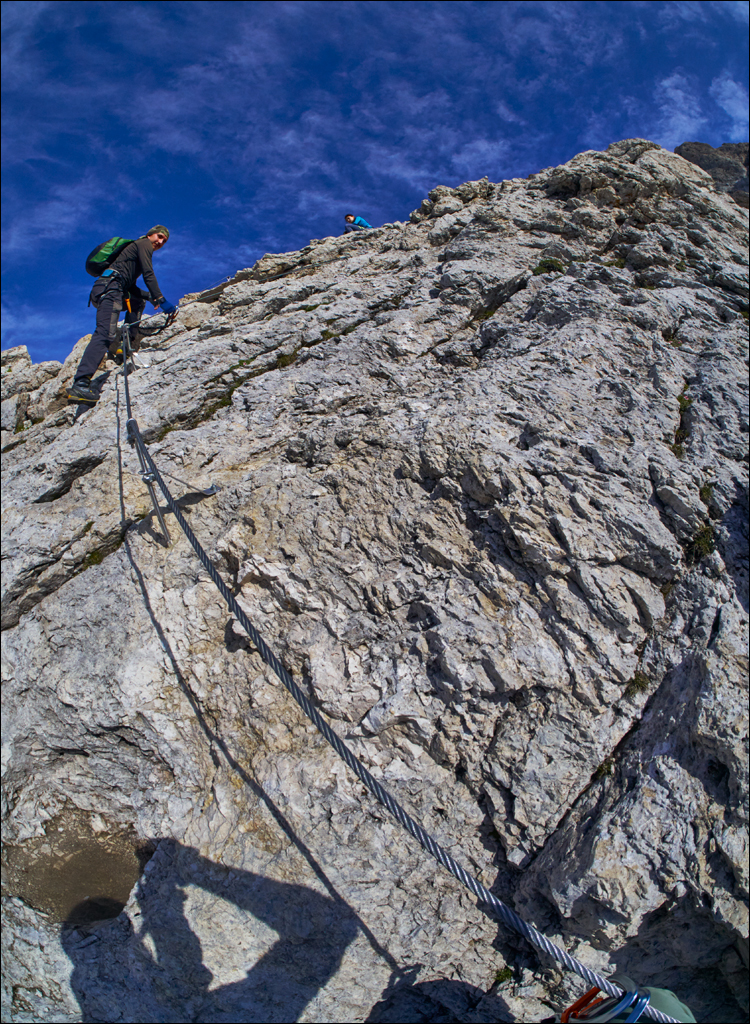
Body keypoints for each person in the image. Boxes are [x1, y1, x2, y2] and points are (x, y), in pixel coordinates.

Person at [67, 226, 177, 404]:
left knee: (137, 302)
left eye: (164, 241)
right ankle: (80, 383)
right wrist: (161, 299)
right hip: (110, 289)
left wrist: (150, 297)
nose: (160, 242)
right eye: (159, 236)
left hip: (111, 288)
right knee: (105, 333)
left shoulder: (132, 255)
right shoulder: (144, 244)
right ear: (150, 234)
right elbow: (148, 273)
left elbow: (131, 287)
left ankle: (124, 345)